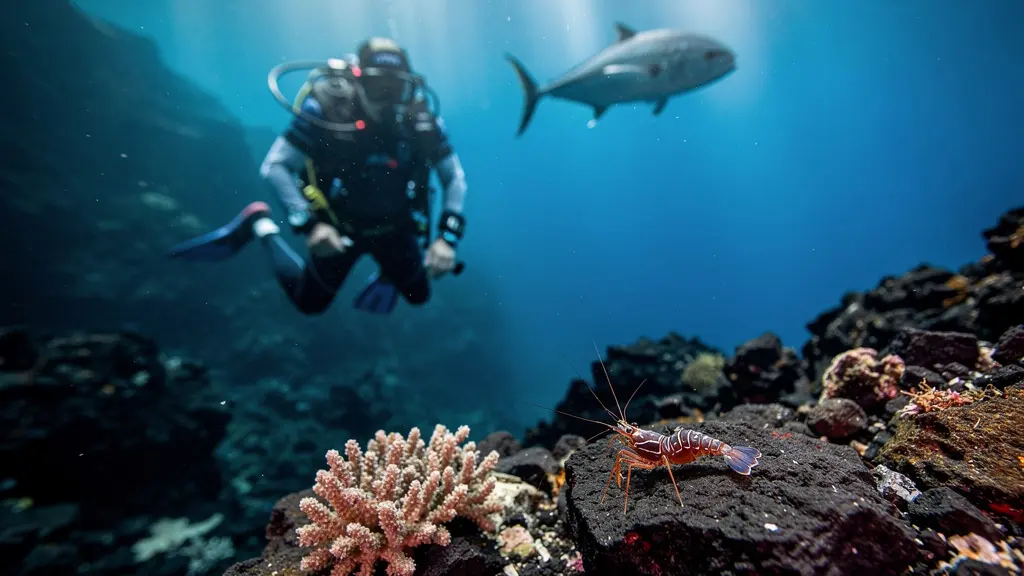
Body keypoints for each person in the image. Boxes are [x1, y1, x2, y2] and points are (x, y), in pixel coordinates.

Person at [167, 37, 468, 315]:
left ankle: (390, 272)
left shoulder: (422, 122)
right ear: (358, 79)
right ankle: (260, 225)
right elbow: (275, 166)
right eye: (379, 86)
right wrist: (309, 224)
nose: (387, 99)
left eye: (395, 88)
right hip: (337, 226)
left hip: (395, 226)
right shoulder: (328, 109)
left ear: (409, 87)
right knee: (310, 303)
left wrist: (447, 239)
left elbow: (453, 177)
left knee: (419, 295)